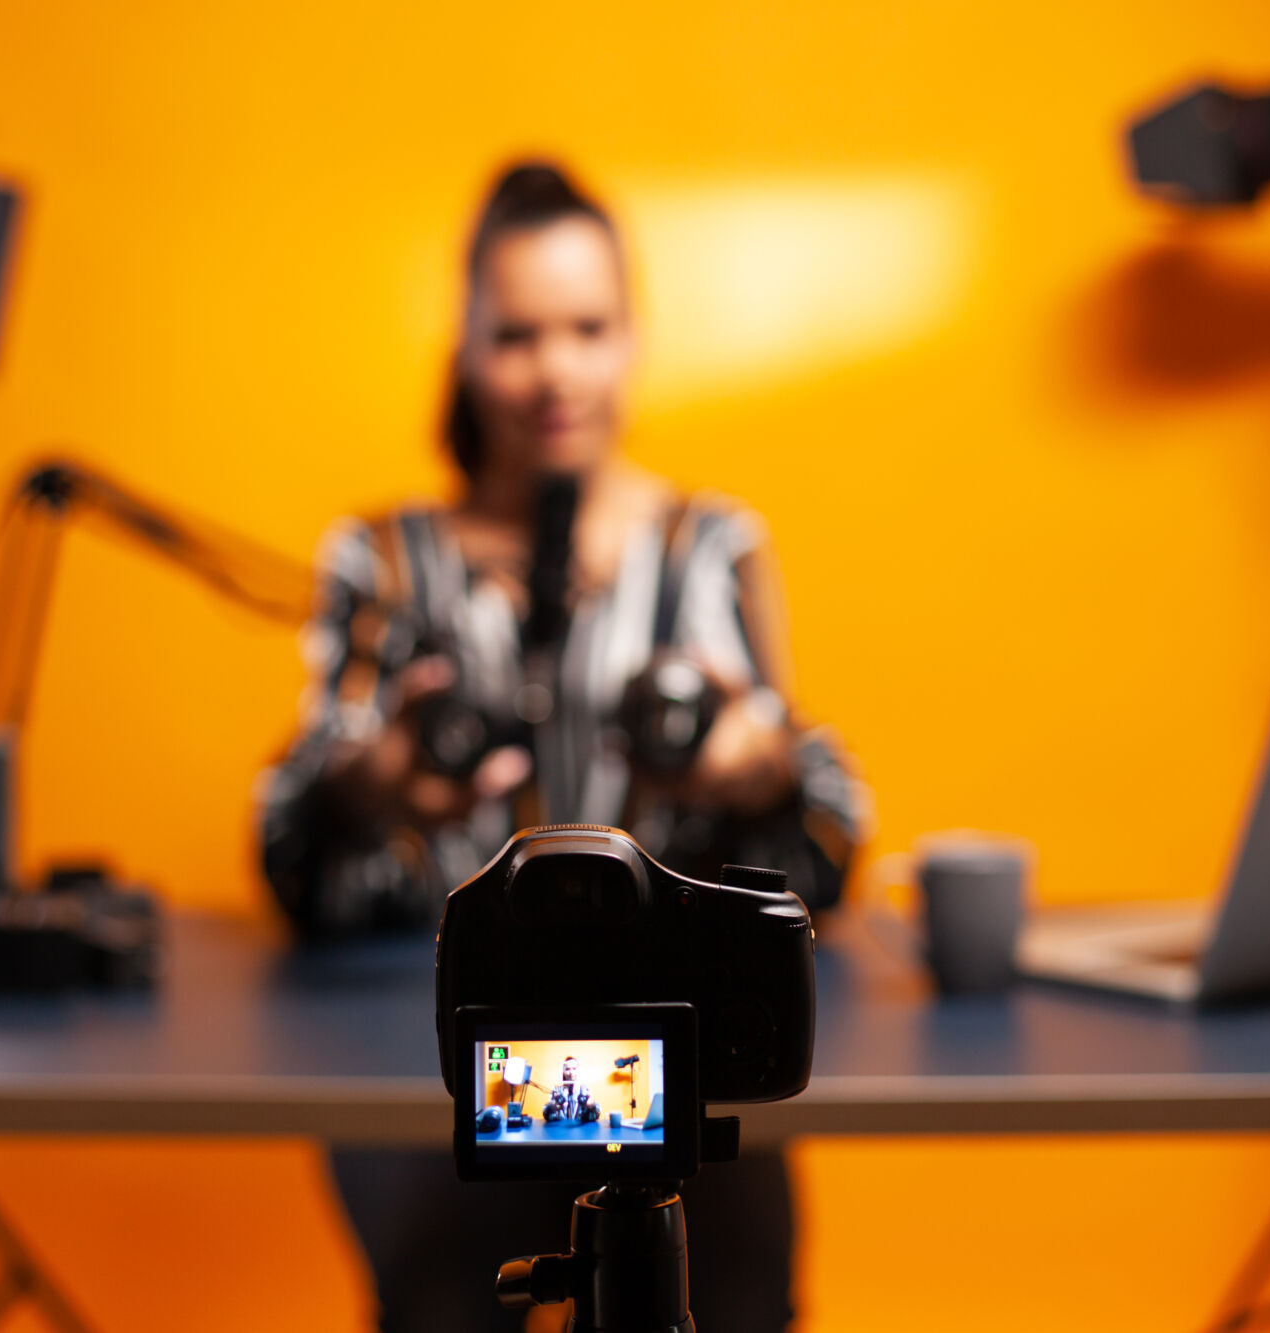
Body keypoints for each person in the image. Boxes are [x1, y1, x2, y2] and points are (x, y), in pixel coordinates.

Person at [259, 161, 868, 1333]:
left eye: (587, 330)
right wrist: (376, 779)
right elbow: (288, 856)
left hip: (673, 1062)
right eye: (517, 335)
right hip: (447, 1057)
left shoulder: (710, 546)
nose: (556, 371)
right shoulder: (382, 561)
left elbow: (834, 846)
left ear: (633, 338)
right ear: (465, 347)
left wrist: (758, 770)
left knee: (737, 1292)